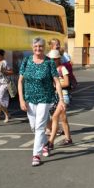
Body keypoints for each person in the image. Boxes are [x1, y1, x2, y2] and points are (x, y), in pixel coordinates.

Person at [18, 37, 65, 167]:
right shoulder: (27, 61)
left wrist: (61, 100)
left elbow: (56, 81)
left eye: (40, 46)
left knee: (39, 126)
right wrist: (21, 99)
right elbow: (20, 81)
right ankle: (45, 144)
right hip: (29, 98)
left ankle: (36, 155)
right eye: (35, 46)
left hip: (45, 98)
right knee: (34, 126)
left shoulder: (49, 62)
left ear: (44, 48)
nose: (38, 49)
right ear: (32, 47)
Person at [45, 49, 73, 153]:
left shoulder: (62, 68)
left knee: (55, 117)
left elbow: (66, 83)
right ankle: (68, 138)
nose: (52, 61)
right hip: (54, 96)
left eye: (54, 59)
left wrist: (55, 85)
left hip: (64, 96)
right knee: (63, 118)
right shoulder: (49, 69)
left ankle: (51, 142)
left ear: (58, 59)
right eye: (50, 59)